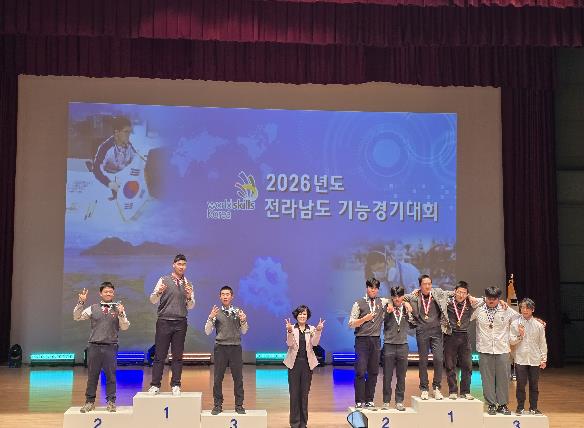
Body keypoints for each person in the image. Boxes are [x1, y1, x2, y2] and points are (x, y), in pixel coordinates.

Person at [73, 282, 130, 413]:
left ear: (113, 294)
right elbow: (77, 317)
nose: (108, 294)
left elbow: (125, 327)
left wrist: (121, 314)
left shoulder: (118, 308)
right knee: (92, 376)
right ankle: (89, 402)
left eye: (111, 292)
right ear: (100, 293)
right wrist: (81, 302)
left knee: (111, 376)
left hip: (111, 346)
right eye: (106, 291)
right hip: (94, 346)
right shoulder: (92, 308)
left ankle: (111, 402)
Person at [148, 254, 195, 395]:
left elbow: (191, 306)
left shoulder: (188, 284)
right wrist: (158, 292)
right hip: (164, 321)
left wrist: (189, 297)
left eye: (184, 264)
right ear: (173, 265)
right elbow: (152, 300)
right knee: (159, 355)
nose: (182, 267)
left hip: (180, 323)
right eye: (179, 264)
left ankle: (176, 384)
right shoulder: (163, 280)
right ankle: (155, 385)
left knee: (177, 356)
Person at [471, 286, 521, 415]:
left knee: (503, 378)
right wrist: (481, 300)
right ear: (485, 298)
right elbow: (464, 308)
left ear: (499, 299)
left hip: (502, 349)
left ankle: (502, 405)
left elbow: (520, 319)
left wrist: (535, 320)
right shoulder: (479, 310)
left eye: (494, 298)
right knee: (487, 379)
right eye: (489, 298)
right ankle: (491, 404)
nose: (491, 301)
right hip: (484, 349)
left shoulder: (506, 309)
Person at [403, 274, 452, 400]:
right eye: (424, 284)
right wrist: (406, 303)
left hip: (436, 332)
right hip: (422, 331)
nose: (427, 286)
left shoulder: (437, 293)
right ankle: (424, 388)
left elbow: (453, 293)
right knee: (423, 361)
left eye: (429, 283)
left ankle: (436, 388)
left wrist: (469, 296)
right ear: (420, 285)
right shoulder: (415, 296)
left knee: (439, 359)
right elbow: (399, 298)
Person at [205, 286, 249, 415]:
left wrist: (243, 320)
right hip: (221, 348)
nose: (225, 296)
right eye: (223, 294)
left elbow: (244, 331)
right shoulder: (216, 312)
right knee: (218, 378)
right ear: (220, 297)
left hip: (235, 348)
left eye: (227, 294)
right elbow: (207, 331)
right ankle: (217, 405)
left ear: (232, 296)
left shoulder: (238, 311)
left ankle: (239, 405)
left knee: (238, 378)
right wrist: (210, 317)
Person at [283, 305, 325, 428]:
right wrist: (289, 331)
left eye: (304, 314)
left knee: (304, 394)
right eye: (300, 314)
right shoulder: (292, 328)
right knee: (294, 394)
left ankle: (303, 423)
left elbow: (315, 343)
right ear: (296, 315)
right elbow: (289, 344)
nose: (302, 316)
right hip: (294, 364)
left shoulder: (311, 329)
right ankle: (294, 423)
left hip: (307, 364)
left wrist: (318, 331)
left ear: (307, 316)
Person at [348, 277, 386, 409]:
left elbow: (398, 299)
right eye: (371, 288)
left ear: (378, 290)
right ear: (367, 288)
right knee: (360, 370)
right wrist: (364, 319)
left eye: (375, 288)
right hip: (362, 341)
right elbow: (351, 324)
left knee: (374, 371)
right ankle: (359, 400)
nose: (373, 290)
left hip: (376, 340)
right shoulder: (358, 303)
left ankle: (369, 399)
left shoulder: (382, 302)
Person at [510, 298, 547, 415]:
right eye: (522, 308)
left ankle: (533, 408)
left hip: (535, 359)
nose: (524, 310)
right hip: (520, 359)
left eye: (527, 308)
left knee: (534, 385)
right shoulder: (515, 324)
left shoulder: (539, 325)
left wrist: (543, 359)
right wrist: (520, 336)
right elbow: (511, 341)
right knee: (521, 385)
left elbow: (542, 343)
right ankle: (520, 407)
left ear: (532, 309)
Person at [382, 286, 415, 411]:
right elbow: (382, 320)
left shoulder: (407, 308)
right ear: (391, 297)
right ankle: (386, 401)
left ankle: (399, 401)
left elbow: (413, 324)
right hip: (389, 345)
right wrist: (388, 308)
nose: (397, 299)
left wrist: (409, 309)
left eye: (399, 296)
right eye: (394, 297)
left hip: (403, 345)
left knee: (401, 376)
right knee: (387, 376)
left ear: (403, 296)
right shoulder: (387, 307)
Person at [90, 116, 138, 199]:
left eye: (129, 132)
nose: (129, 135)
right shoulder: (105, 147)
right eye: (126, 132)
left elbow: (136, 161)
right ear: (116, 132)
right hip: (107, 183)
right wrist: (108, 183)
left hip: (123, 183)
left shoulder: (129, 146)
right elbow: (96, 168)